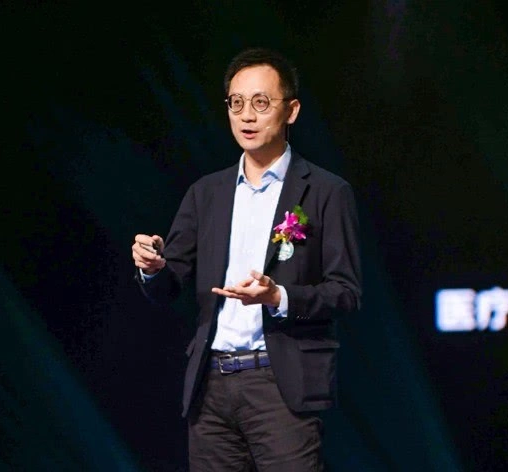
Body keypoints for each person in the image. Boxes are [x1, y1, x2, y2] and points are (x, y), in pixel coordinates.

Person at [132, 47, 362, 471]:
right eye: (236, 103)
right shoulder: (207, 193)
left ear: (291, 110)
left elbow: (345, 293)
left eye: (261, 103)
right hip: (211, 386)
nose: (247, 116)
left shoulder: (326, 191)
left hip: (281, 386)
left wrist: (278, 297)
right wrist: (152, 268)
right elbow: (169, 285)